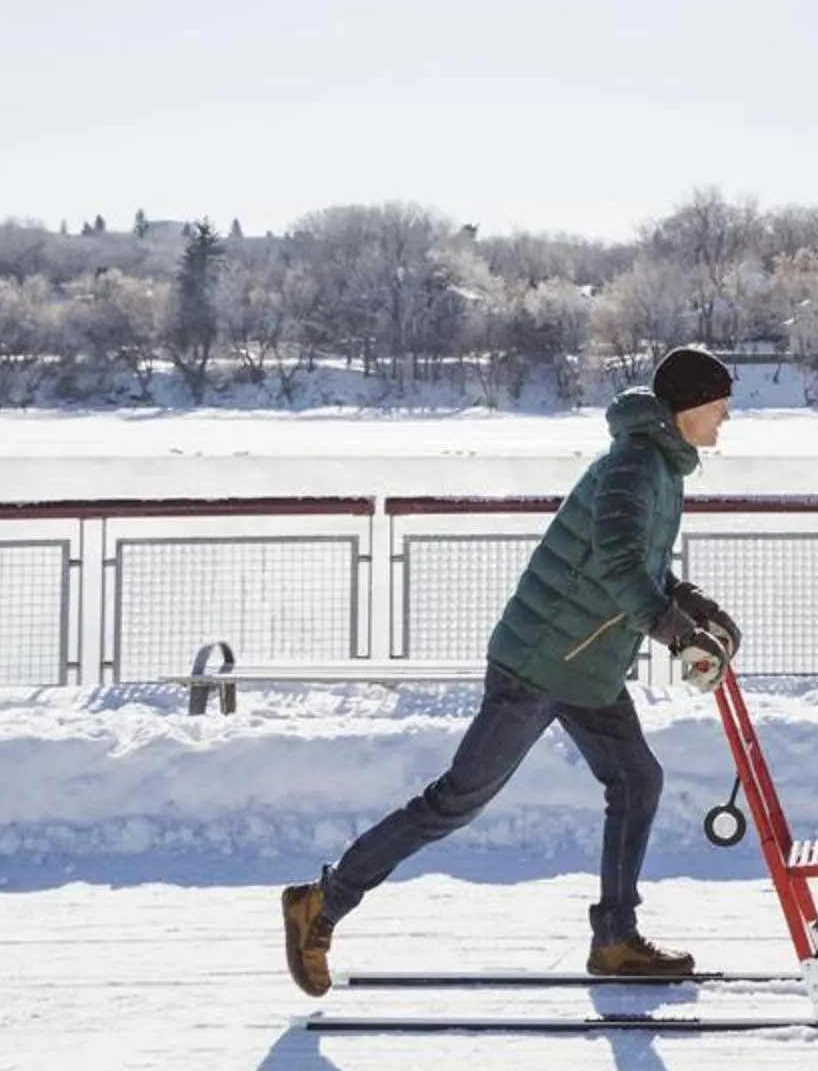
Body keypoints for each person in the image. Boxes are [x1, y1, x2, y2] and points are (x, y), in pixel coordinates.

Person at [280, 345, 744, 994]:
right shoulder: (636, 466)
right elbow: (616, 568)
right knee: (453, 803)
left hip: (586, 668)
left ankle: (615, 940)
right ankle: (321, 905)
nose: (725, 419)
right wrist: (677, 636)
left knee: (637, 781)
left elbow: (640, 566)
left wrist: (697, 611)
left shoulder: (659, 466)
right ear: (690, 406)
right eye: (719, 406)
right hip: (537, 663)